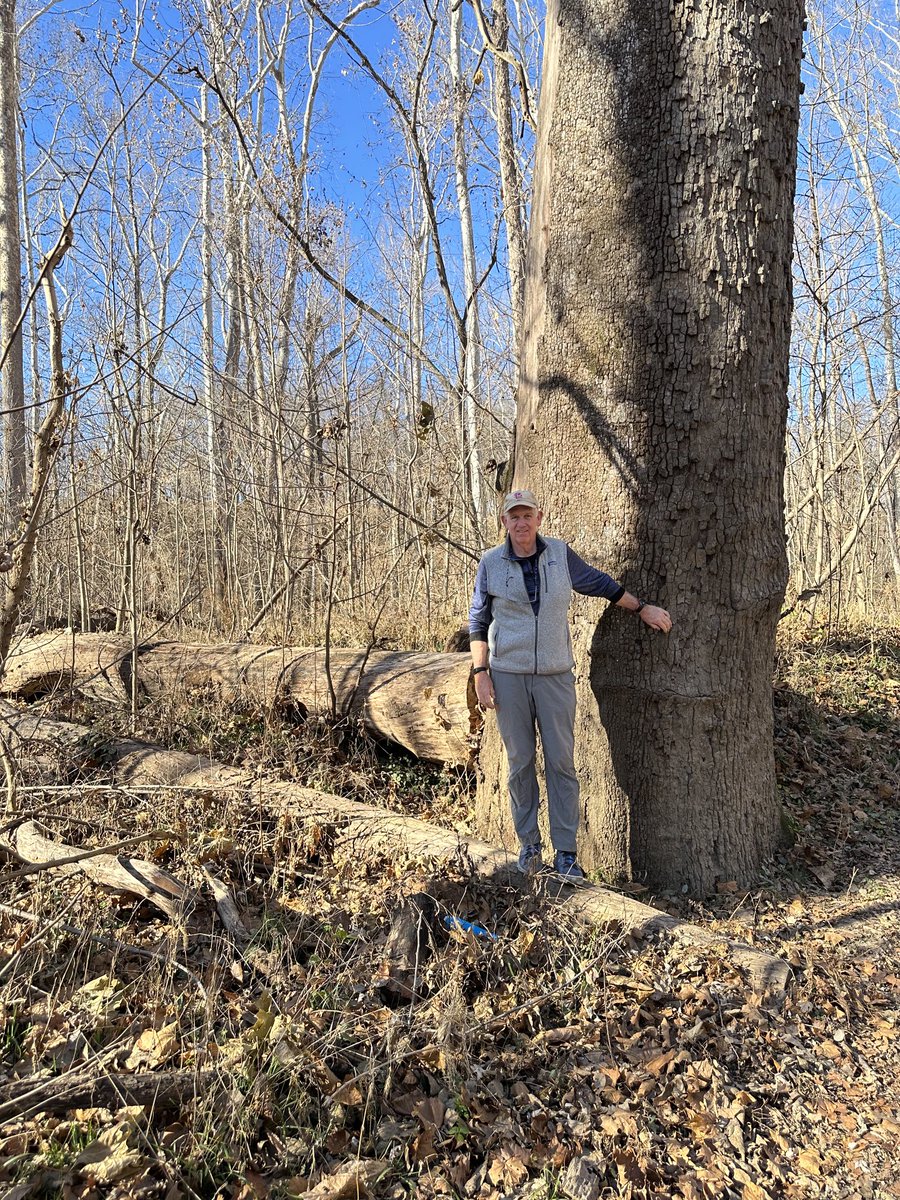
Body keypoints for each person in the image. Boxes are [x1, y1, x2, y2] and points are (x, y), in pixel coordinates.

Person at [469, 488, 673, 880]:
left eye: (527, 515)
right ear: (504, 522)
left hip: (555, 676)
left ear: (539, 518)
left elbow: (602, 585)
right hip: (508, 677)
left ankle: (565, 853)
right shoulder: (491, 564)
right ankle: (529, 846)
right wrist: (481, 673)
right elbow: (478, 621)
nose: (521, 522)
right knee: (519, 764)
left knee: (562, 764)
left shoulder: (560, 555)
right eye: (514, 516)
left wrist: (642, 607)